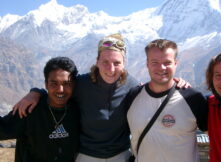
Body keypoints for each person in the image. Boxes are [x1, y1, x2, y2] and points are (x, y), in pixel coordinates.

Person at [12, 34, 189, 162]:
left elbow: (154, 91)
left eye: (117, 63)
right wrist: (35, 92)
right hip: (86, 156)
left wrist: (175, 82)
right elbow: (59, 90)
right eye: (105, 61)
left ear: (124, 63)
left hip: (120, 156)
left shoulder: (132, 86)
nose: (111, 69)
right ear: (97, 61)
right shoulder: (81, 84)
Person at [126, 39, 208, 162]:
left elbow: (217, 137)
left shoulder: (192, 98)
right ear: (147, 64)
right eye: (155, 62)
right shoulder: (133, 96)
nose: (161, 68)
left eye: (167, 62)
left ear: (176, 63)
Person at [0, 56, 79, 162]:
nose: (60, 90)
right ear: (46, 84)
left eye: (67, 84)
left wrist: (36, 91)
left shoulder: (79, 109)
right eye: (54, 83)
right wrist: (36, 91)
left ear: (74, 84)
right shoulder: (29, 110)